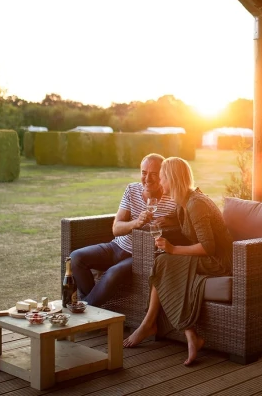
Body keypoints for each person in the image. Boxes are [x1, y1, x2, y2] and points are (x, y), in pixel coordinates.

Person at [123, 157, 233, 366]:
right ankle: (189, 335)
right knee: (163, 262)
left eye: (162, 177)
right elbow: (184, 220)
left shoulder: (195, 204)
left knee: (163, 262)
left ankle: (150, 324)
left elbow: (208, 247)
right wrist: (169, 221)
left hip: (219, 261)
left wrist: (173, 249)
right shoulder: (184, 202)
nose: (159, 182)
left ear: (172, 178)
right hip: (208, 256)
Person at [70, 153, 177, 307]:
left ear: (163, 175)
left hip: (141, 255)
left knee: (113, 272)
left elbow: (183, 226)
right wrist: (136, 223)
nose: (147, 179)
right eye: (144, 173)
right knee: (75, 258)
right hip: (116, 247)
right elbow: (116, 228)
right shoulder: (132, 189)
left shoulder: (172, 199)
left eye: (154, 174)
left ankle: (85, 308)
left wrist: (171, 221)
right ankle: (94, 309)